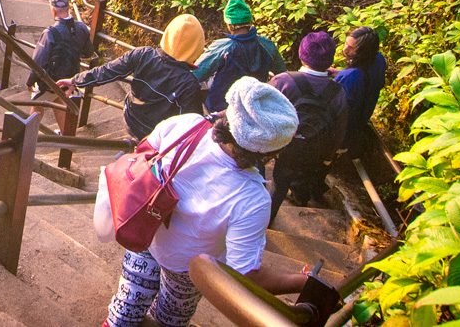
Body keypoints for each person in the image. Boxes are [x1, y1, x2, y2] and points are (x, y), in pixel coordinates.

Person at [97, 77, 307, 327]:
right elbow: (246, 274)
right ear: (268, 152)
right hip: (188, 267)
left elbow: (142, 154)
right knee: (170, 317)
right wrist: (302, 282)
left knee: (128, 299)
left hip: (144, 232)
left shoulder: (186, 124)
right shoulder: (253, 200)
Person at [58, 14, 205, 140]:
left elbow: (107, 71)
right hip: (157, 138)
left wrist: (76, 80)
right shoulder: (188, 84)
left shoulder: (143, 55)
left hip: (132, 120)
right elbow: (191, 125)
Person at [268, 32, 349, 222]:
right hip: (316, 149)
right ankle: (300, 199)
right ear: (329, 59)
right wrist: (328, 158)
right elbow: (340, 128)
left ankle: (267, 219)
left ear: (301, 54)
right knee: (305, 177)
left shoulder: (283, 81)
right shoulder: (338, 92)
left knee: (279, 183)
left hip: (285, 145)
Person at [192, 0, 288, 113]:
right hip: (255, 107)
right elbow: (283, 75)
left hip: (222, 110)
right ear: (249, 22)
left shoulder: (222, 47)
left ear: (230, 25)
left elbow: (195, 75)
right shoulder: (267, 45)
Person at [28, 0, 94, 132]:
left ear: (53, 10)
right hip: (70, 79)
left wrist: (30, 82)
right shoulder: (82, 28)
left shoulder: (50, 33)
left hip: (50, 80)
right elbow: (88, 52)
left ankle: (24, 140)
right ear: (69, 8)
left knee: (37, 105)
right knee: (59, 101)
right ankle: (69, 144)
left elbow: (38, 62)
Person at [332, 26, 386, 155]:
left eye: (351, 48)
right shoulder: (379, 59)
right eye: (346, 44)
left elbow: (333, 108)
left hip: (342, 133)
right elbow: (367, 79)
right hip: (360, 121)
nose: (345, 50)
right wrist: (341, 73)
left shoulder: (349, 78)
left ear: (363, 52)